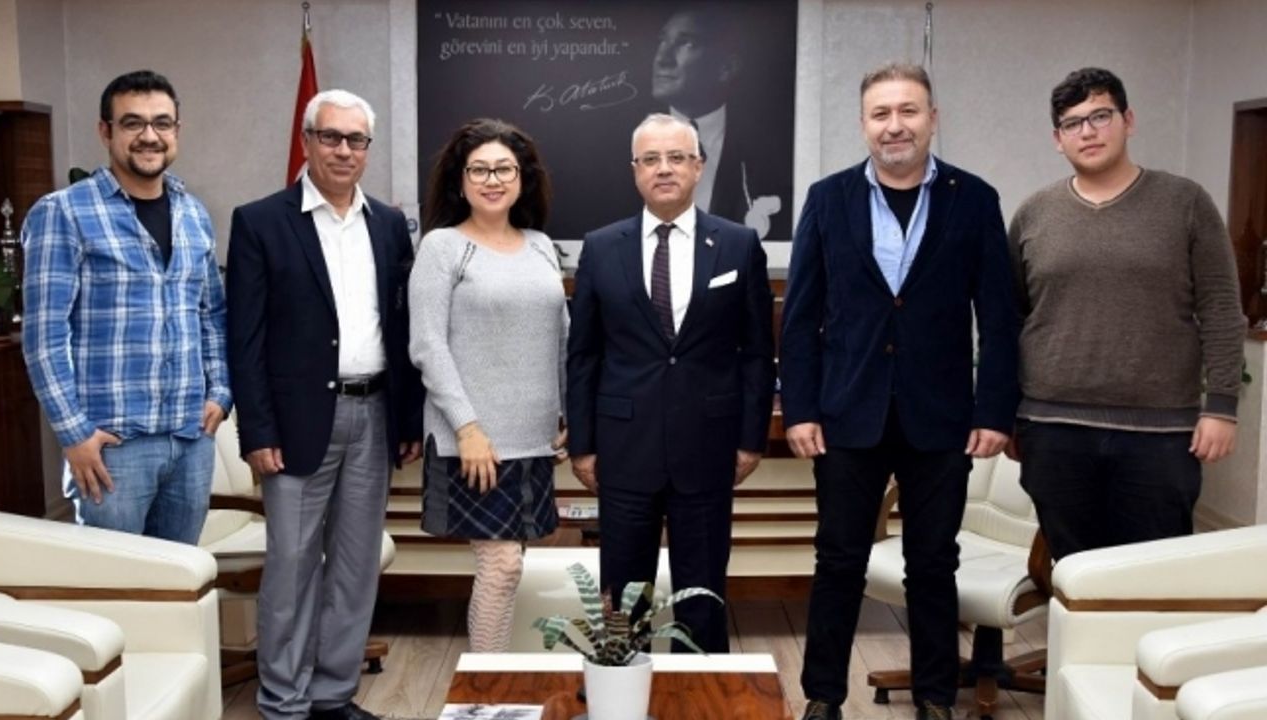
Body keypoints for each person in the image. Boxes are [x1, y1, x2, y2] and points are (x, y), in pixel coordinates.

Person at [779, 63, 1019, 720]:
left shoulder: (975, 199)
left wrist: (994, 409)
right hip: (846, 413)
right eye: (881, 113)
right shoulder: (828, 199)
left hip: (941, 417)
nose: (895, 126)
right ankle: (823, 697)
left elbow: (998, 318)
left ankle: (935, 699)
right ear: (863, 124)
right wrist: (800, 408)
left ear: (932, 119)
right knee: (838, 560)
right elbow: (800, 318)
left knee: (933, 563)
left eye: (908, 111)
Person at [225, 89, 423, 720]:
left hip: (374, 414)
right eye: (330, 137)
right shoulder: (260, 221)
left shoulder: (388, 224)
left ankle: (332, 696)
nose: (343, 150)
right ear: (307, 141)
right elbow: (244, 339)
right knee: (290, 566)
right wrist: (257, 430)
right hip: (293, 425)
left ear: (368, 149)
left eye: (356, 139)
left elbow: (402, 326)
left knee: (356, 567)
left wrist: (408, 419)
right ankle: (283, 703)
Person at [1008, 67, 1244, 561]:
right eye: (1072, 123)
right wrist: (1005, 411)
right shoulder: (1033, 213)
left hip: (1159, 434)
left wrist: (1221, 406)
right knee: (1073, 572)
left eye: (1100, 116)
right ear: (1057, 139)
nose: (1088, 132)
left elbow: (1221, 306)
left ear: (1128, 120)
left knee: (1151, 574)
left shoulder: (1185, 202)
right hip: (1052, 429)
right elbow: (1010, 318)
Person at [566, 112, 776, 654]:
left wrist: (751, 440)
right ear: (635, 169)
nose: (665, 169)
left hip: (708, 446)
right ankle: (621, 692)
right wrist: (582, 444)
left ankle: (699, 692)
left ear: (699, 166)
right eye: (651, 159)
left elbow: (757, 353)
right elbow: (583, 354)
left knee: (702, 597)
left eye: (677, 157)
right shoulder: (601, 246)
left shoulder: (738, 244)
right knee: (624, 599)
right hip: (623, 447)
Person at [20, 69, 229, 544]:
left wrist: (220, 392)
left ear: (177, 131)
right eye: (133, 123)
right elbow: (44, 338)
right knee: (116, 582)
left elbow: (212, 316)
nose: (149, 136)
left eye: (161, 123)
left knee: (178, 580)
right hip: (111, 448)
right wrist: (74, 434)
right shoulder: (64, 212)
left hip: (190, 441)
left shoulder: (193, 214)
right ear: (106, 130)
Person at [409, 118, 566, 653]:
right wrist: (467, 428)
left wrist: (570, 416)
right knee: (501, 565)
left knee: (510, 565)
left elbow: (561, 338)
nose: (492, 179)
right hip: (474, 442)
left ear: (523, 178)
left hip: (534, 441)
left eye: (504, 169)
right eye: (479, 169)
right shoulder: (443, 247)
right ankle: (484, 687)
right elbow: (428, 345)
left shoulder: (541, 246)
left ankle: (490, 678)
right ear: (460, 180)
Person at [651, 7, 792, 240]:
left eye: (687, 43)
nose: (662, 58)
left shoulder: (775, 157)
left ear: (726, 68)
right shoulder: (614, 152)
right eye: (662, 41)